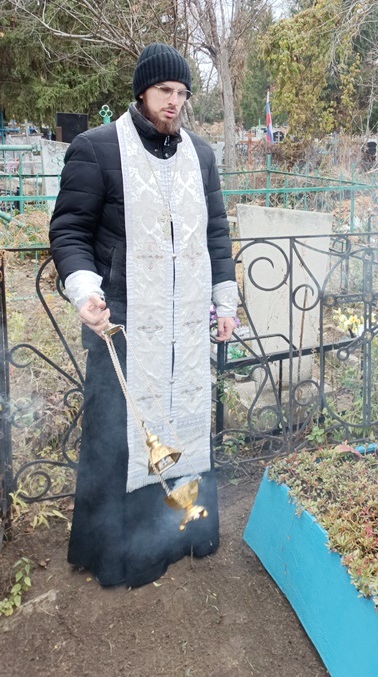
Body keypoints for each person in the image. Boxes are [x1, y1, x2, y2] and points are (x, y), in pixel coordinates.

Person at [49, 42, 238, 587]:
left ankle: (183, 533)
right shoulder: (97, 149)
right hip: (123, 324)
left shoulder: (200, 156)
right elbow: (69, 230)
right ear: (141, 91)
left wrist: (223, 300)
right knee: (119, 434)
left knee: (180, 422)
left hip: (183, 324)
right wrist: (84, 288)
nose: (174, 102)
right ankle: (121, 555)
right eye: (164, 91)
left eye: (182, 93)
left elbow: (216, 233)